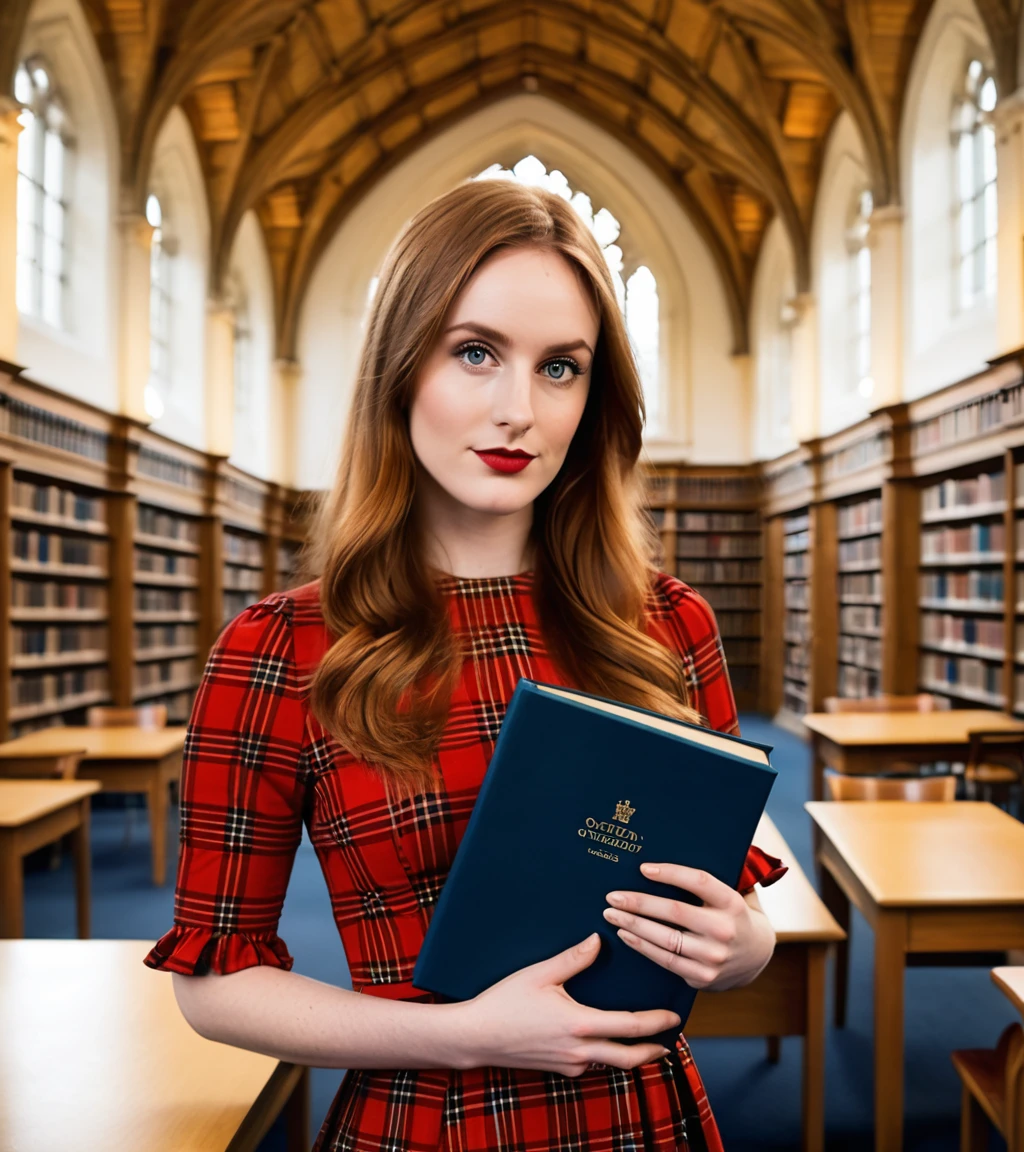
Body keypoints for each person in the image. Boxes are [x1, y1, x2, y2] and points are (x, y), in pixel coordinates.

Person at [144, 177, 787, 1152]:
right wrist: (459, 1034)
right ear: (401, 370)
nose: (517, 410)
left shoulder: (668, 623)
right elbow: (215, 987)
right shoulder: (280, 649)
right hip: (426, 1117)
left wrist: (743, 946)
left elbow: (725, 922)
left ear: (593, 397)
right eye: (475, 353)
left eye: (561, 367)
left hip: (643, 1117)